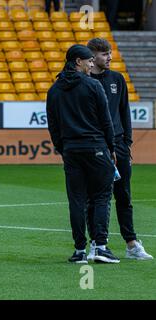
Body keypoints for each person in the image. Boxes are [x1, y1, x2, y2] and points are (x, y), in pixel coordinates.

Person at [46, 44, 119, 264]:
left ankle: (79, 251)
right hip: (96, 147)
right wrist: (111, 148)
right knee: (101, 197)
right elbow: (106, 121)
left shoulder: (55, 90)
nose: (90, 65)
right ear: (78, 61)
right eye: (88, 61)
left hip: (71, 150)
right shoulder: (93, 86)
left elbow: (53, 126)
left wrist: (62, 147)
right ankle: (100, 246)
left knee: (76, 200)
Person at [86, 38, 153, 260]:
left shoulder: (117, 79)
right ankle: (97, 243)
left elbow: (125, 112)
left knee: (123, 195)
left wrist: (127, 143)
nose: (109, 57)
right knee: (95, 197)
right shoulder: (83, 81)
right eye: (104, 54)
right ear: (92, 56)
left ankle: (131, 243)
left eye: (110, 53)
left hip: (119, 146)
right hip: (95, 146)